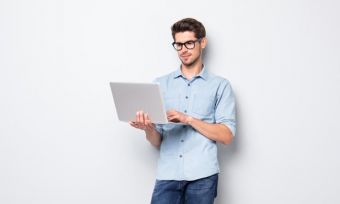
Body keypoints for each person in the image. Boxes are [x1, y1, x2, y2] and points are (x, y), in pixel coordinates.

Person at [129, 18, 236, 204]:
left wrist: (188, 119)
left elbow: (227, 136)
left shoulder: (220, 86)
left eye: (189, 43)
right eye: (178, 45)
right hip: (167, 174)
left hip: (203, 176)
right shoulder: (160, 84)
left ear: (202, 42)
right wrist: (148, 128)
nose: (183, 50)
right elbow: (157, 141)